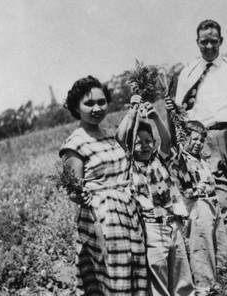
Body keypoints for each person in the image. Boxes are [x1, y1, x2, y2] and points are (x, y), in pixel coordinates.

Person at [174, 19, 227, 245]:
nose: (209, 46)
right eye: (204, 42)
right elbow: (180, 112)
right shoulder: (188, 73)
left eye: (214, 41)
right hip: (205, 141)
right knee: (220, 198)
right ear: (197, 42)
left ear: (221, 40)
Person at [59, 76, 147, 295]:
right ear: (76, 107)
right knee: (112, 278)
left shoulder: (110, 136)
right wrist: (79, 196)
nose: (96, 108)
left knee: (134, 270)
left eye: (101, 102)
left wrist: (134, 106)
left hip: (128, 214)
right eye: (89, 103)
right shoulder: (74, 144)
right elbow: (72, 189)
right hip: (102, 220)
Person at [116, 95, 195, 296]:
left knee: (182, 277)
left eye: (148, 141)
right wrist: (132, 110)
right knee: (158, 279)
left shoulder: (159, 160)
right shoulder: (129, 166)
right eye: (139, 142)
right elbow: (120, 138)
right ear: (131, 147)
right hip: (151, 227)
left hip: (172, 223)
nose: (144, 146)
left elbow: (167, 139)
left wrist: (155, 116)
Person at [165, 114, 227, 296]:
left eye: (201, 139)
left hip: (212, 204)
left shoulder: (201, 160)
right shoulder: (180, 158)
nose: (198, 143)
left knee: (220, 247)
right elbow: (183, 188)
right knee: (202, 249)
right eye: (194, 139)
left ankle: (222, 285)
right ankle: (204, 288)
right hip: (197, 206)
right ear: (183, 138)